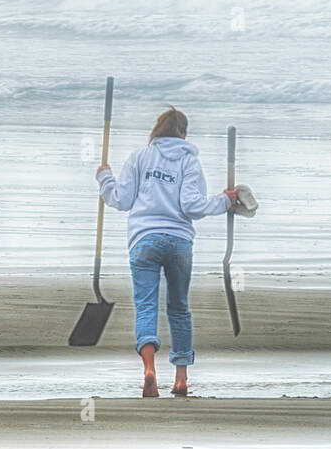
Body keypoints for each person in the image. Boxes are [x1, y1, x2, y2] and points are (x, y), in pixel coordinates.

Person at [96, 106, 237, 397]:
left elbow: (121, 200)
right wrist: (224, 201)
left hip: (144, 240)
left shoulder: (139, 157)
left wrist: (105, 178)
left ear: (157, 131)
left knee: (146, 306)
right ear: (184, 134)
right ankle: (182, 378)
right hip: (178, 242)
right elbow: (192, 206)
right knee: (179, 308)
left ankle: (149, 370)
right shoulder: (190, 162)